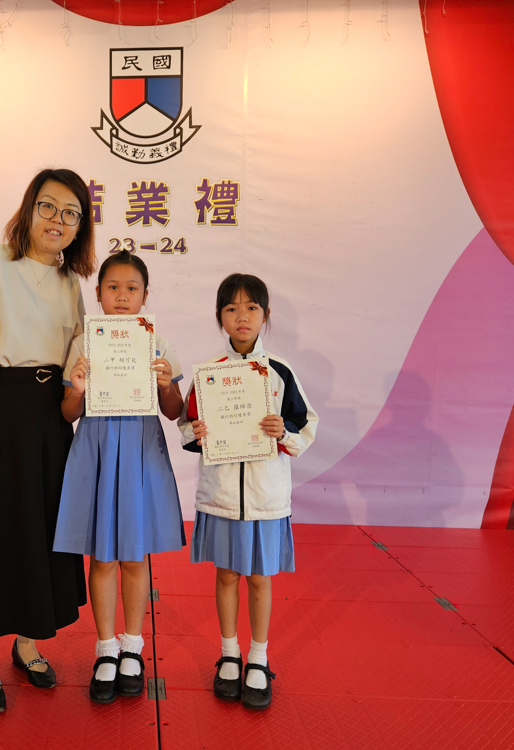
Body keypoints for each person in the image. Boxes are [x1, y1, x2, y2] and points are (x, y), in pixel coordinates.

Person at [0, 168, 96, 713]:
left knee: (44, 531)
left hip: (53, 417)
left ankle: (27, 643)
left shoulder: (72, 283)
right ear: (29, 209)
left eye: (71, 213)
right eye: (48, 207)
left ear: (80, 227)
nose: (58, 220)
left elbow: (80, 359)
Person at [178, 273, 318, 710]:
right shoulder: (209, 375)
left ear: (266, 315)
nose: (242, 316)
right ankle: (229, 654)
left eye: (251, 308)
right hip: (221, 496)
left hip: (264, 498)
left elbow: (305, 425)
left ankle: (258, 656)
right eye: (232, 308)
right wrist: (198, 432)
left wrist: (283, 431)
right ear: (220, 317)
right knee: (226, 575)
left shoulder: (279, 372)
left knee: (259, 577)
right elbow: (185, 427)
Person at [54, 251, 186, 703]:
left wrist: (166, 385)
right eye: (113, 287)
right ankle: (106, 648)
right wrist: (77, 390)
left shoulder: (157, 344)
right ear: (98, 294)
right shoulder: (84, 344)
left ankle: (133, 646)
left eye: (132, 288)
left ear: (145, 296)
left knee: (134, 554)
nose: (122, 296)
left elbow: (174, 410)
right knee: (102, 556)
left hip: (140, 451)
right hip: (96, 449)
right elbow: (68, 412)